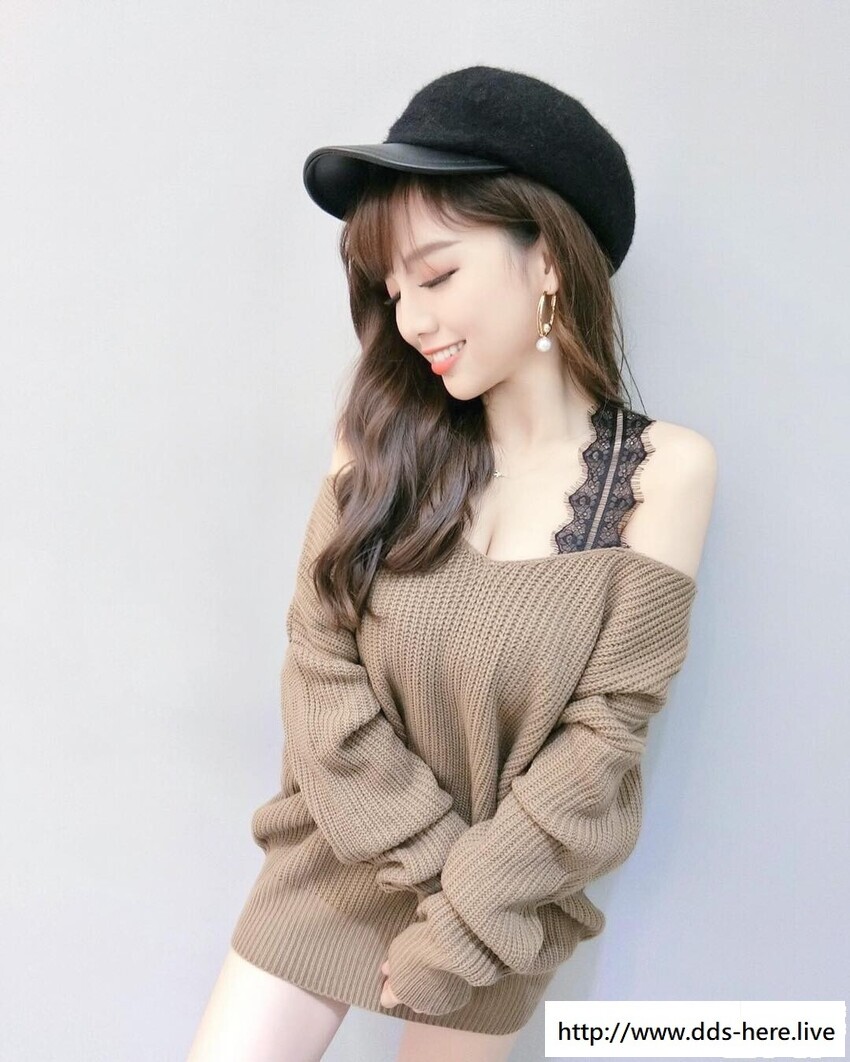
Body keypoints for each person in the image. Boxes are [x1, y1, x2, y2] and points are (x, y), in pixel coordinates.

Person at [187, 65, 717, 1062]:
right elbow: (318, 676)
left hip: (506, 904)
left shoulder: (667, 474)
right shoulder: (376, 442)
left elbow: (601, 745)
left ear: (546, 260)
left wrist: (468, 923)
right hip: (335, 862)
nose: (411, 322)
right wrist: (446, 883)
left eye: (436, 277)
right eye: (393, 291)